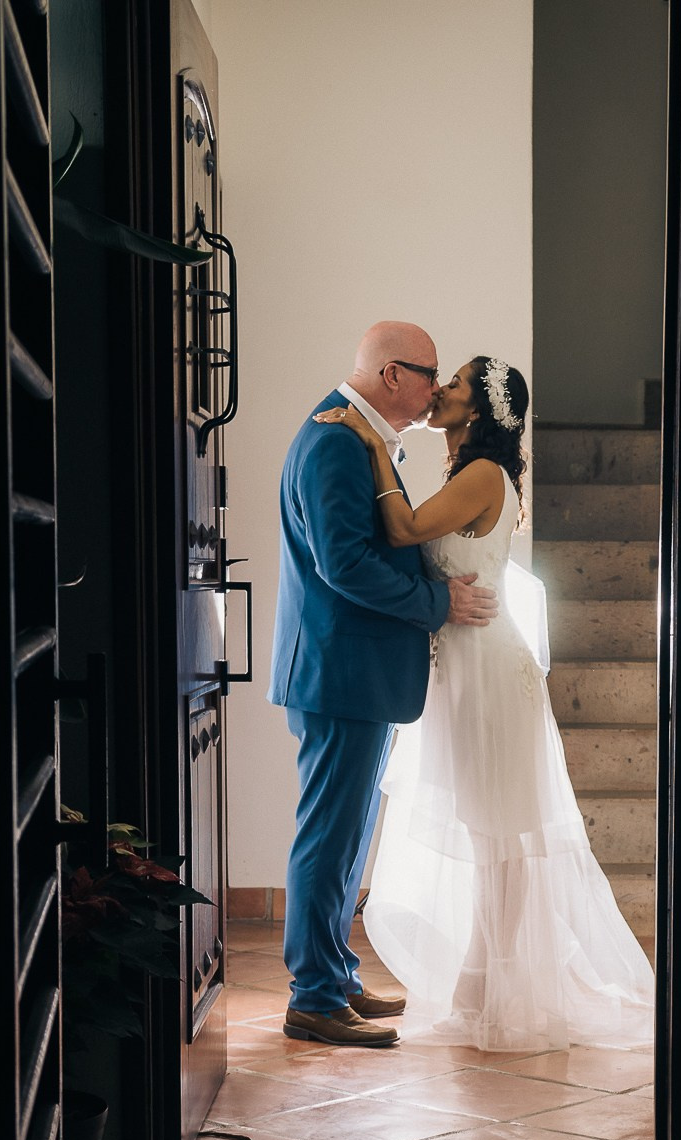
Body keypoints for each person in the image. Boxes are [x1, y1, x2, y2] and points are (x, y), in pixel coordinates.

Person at [314, 355, 656, 1052]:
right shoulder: (468, 472)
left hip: (490, 669)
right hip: (465, 666)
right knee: (487, 834)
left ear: (478, 410)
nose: (440, 389)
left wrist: (374, 442)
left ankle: (499, 987)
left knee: (502, 837)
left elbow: (404, 530)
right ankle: (482, 980)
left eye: (456, 383)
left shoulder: (481, 475)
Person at [270, 322, 499, 1048]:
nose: (435, 388)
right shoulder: (335, 442)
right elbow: (343, 564)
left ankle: (334, 977)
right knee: (329, 836)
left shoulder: (358, 438)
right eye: (430, 373)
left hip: (354, 669)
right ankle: (313, 997)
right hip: (340, 670)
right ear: (393, 374)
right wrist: (438, 603)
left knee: (348, 834)